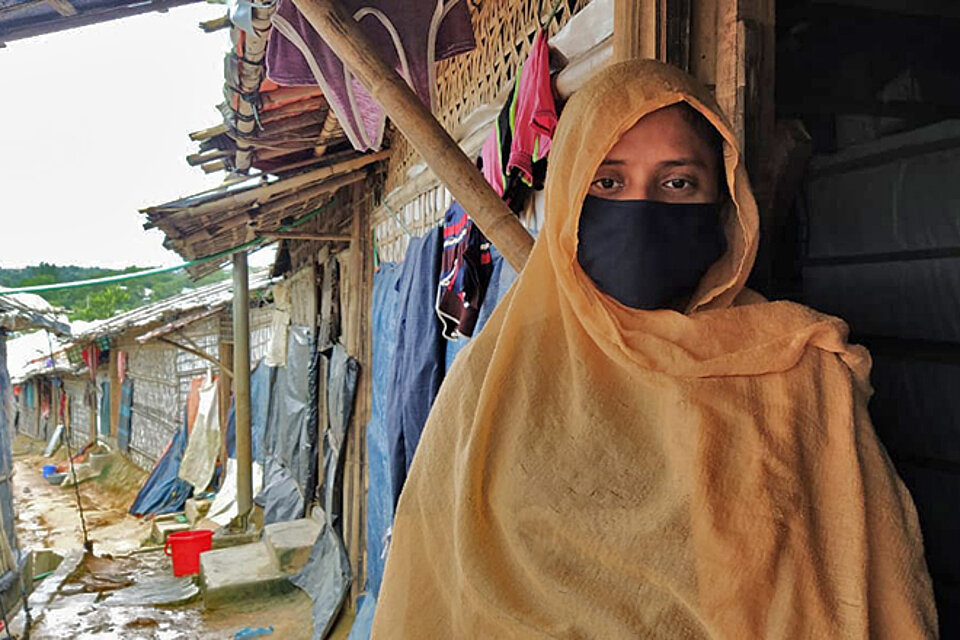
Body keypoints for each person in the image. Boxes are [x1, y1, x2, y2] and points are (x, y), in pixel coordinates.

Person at [371, 59, 937, 638]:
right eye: (608, 183)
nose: (640, 212)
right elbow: (431, 592)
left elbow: (877, 588)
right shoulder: (490, 382)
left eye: (678, 183)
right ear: (569, 196)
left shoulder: (801, 370)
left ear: (724, 204)